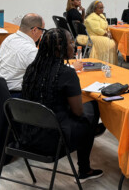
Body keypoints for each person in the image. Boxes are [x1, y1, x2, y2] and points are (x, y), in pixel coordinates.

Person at [21, 28, 104, 182]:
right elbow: (78, 112)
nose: (74, 46)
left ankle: (94, 131)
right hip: (53, 140)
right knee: (92, 109)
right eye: (71, 42)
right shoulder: (66, 73)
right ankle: (84, 169)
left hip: (27, 135)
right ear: (60, 48)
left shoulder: (31, 69)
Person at [0, 13, 45, 97]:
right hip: (14, 95)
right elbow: (46, 71)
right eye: (42, 30)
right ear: (35, 30)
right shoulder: (30, 50)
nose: (42, 34)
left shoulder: (9, 38)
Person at [80, 0, 118, 65]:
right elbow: (96, 29)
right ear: (94, 9)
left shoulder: (101, 15)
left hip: (100, 35)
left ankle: (108, 62)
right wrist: (106, 34)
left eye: (103, 7)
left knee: (114, 41)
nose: (102, 9)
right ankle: (103, 62)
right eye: (100, 8)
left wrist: (108, 31)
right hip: (93, 36)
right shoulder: (92, 17)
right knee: (111, 43)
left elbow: (106, 25)